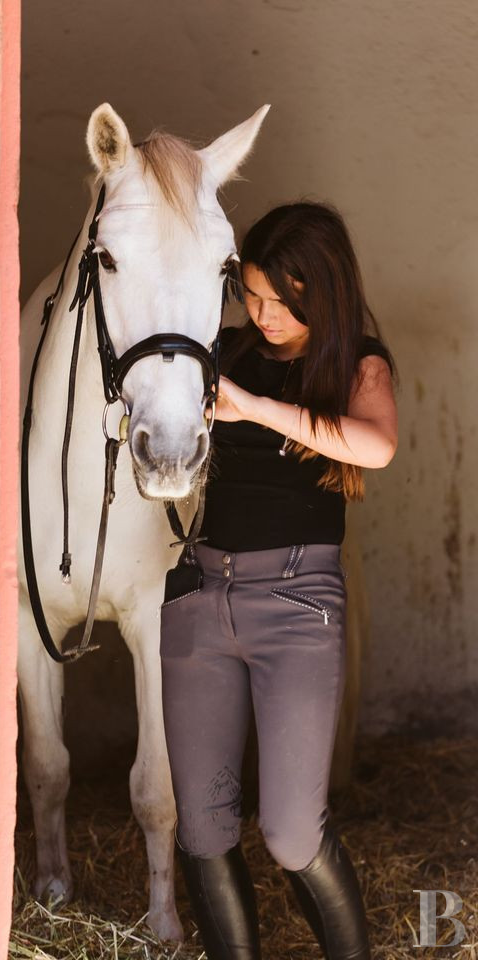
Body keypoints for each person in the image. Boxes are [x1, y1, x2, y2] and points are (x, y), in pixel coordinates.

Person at [159, 201, 398, 960]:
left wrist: (255, 409)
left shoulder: (356, 364)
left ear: (321, 289)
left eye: (280, 300)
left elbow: (376, 446)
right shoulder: (224, 351)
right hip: (201, 597)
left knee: (293, 833)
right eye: (252, 296)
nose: (261, 315)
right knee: (203, 829)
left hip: (297, 605)